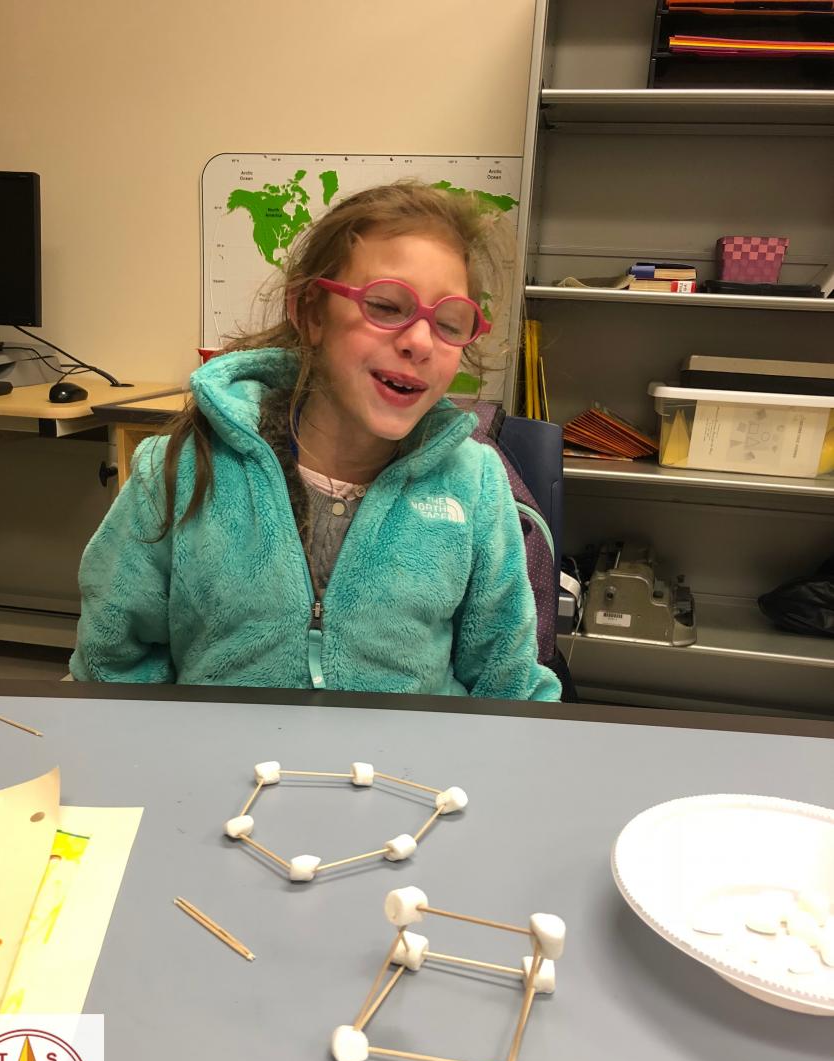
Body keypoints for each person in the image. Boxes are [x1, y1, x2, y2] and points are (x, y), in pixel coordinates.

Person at [70, 182, 561, 701]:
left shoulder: (475, 485)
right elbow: (112, 666)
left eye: (448, 323)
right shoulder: (181, 469)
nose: (419, 341)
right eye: (387, 306)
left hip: (408, 777)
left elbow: (506, 685)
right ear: (310, 313)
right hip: (226, 774)